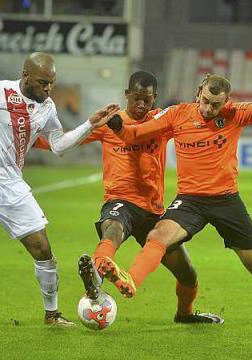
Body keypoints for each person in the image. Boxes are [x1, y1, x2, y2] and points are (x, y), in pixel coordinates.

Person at [97, 46, 252, 328]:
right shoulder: (177, 114)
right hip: (190, 200)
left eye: (216, 105)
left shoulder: (234, 115)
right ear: (199, 92)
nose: (208, 109)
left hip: (227, 201)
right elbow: (134, 133)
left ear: (226, 101)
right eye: (205, 101)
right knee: (158, 235)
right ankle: (130, 279)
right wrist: (118, 126)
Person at [0, 52, 120, 326]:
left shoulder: (47, 108)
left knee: (43, 250)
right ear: (26, 75)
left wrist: (89, 125)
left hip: (11, 185)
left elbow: (58, 146)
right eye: (43, 82)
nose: (48, 88)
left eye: (52, 83)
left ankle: (52, 314)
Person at [35, 71, 223, 324]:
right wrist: (24, 139)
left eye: (147, 100)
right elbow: (63, 141)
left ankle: (185, 314)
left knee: (187, 275)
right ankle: (96, 273)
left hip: (154, 212)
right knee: (113, 228)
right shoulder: (110, 123)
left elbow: (197, 114)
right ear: (127, 95)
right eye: (136, 98)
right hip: (120, 201)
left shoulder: (161, 121)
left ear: (155, 99)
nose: (141, 105)